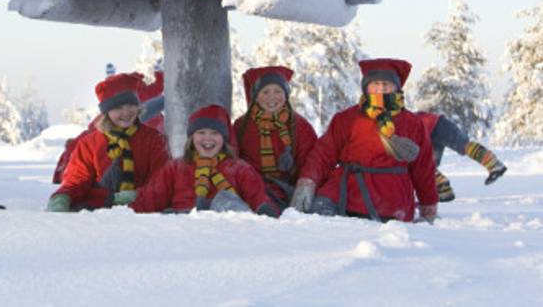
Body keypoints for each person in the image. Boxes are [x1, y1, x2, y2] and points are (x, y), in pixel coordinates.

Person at [290, 59, 439, 223]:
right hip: (346, 189)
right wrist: (308, 181)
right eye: (375, 84)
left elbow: (423, 167)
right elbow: (323, 154)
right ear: (366, 87)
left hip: (391, 195)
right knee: (317, 218)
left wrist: (428, 203)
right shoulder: (346, 118)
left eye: (386, 84)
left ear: (397, 87)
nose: (381, 89)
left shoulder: (412, 123)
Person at [46, 72, 169, 211]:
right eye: (118, 108)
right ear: (106, 112)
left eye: (131, 105)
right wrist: (63, 197)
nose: (126, 112)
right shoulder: (90, 144)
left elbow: (162, 181)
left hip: (143, 211)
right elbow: (77, 181)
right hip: (99, 213)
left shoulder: (154, 140)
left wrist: (136, 196)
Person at [132, 104, 277, 215]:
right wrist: (128, 214)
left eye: (214, 133)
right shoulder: (176, 168)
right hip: (187, 228)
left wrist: (265, 212)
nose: (208, 138)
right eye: (201, 132)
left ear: (224, 139)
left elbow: (257, 197)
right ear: (192, 138)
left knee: (224, 198)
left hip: (227, 229)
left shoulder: (238, 168)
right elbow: (151, 197)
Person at [233, 66, 318, 213]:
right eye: (265, 92)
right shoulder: (242, 126)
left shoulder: (299, 125)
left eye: (277, 91)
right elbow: (233, 159)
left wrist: (305, 184)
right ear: (255, 96)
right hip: (254, 190)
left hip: (289, 189)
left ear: (286, 95)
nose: (272, 98)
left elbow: (311, 159)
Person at [415, 111, 507, 202]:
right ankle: (444, 190)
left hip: (438, 125)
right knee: (427, 165)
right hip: (433, 129)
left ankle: (494, 164)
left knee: (463, 146)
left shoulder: (404, 126)